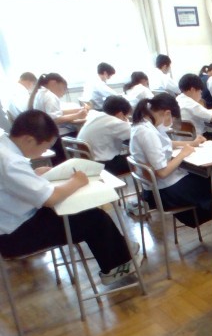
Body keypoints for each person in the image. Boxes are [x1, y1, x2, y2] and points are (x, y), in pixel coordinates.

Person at [0, 110, 136, 285]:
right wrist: (76, 181)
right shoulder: (11, 162)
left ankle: (121, 250)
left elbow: (12, 184)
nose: (44, 152)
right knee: (95, 219)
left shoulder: (5, 146)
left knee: (86, 212)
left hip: (16, 221)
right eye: (44, 147)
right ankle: (118, 267)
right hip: (15, 235)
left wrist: (33, 174)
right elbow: (50, 198)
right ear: (29, 139)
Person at [129, 93, 212, 243]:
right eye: (172, 119)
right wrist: (183, 154)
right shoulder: (147, 132)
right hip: (166, 192)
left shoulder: (143, 125)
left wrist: (191, 143)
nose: (171, 123)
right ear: (167, 113)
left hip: (158, 188)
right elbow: (162, 172)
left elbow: (165, 144)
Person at [29, 73, 87, 165]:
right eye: (63, 88)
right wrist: (77, 115)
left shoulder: (40, 93)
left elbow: (57, 112)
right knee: (80, 132)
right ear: (53, 83)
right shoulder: (50, 96)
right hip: (56, 136)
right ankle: (82, 162)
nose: (63, 93)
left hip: (45, 133)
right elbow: (55, 119)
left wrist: (78, 110)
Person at [77, 96, 131, 175]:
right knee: (138, 158)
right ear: (120, 114)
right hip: (103, 166)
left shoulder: (96, 115)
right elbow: (136, 133)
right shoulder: (114, 122)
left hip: (87, 163)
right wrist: (126, 121)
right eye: (126, 116)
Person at [175, 74, 212, 138]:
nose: (200, 95)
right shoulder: (192, 105)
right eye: (200, 92)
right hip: (198, 138)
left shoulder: (177, 99)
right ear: (192, 90)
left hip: (180, 138)